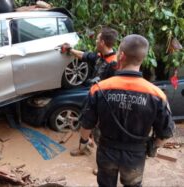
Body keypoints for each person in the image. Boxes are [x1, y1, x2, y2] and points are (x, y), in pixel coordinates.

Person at [72, 34, 175, 187]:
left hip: (106, 151)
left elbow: (86, 125)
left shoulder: (99, 89)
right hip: (136, 155)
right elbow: (165, 132)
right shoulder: (156, 95)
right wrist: (153, 147)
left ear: (121, 55)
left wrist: (84, 141)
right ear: (143, 58)